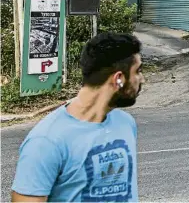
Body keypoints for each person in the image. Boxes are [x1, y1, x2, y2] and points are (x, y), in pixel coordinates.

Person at [11, 32, 145, 202]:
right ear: (118, 79)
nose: (142, 79)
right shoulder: (45, 141)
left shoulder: (126, 124)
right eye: (138, 71)